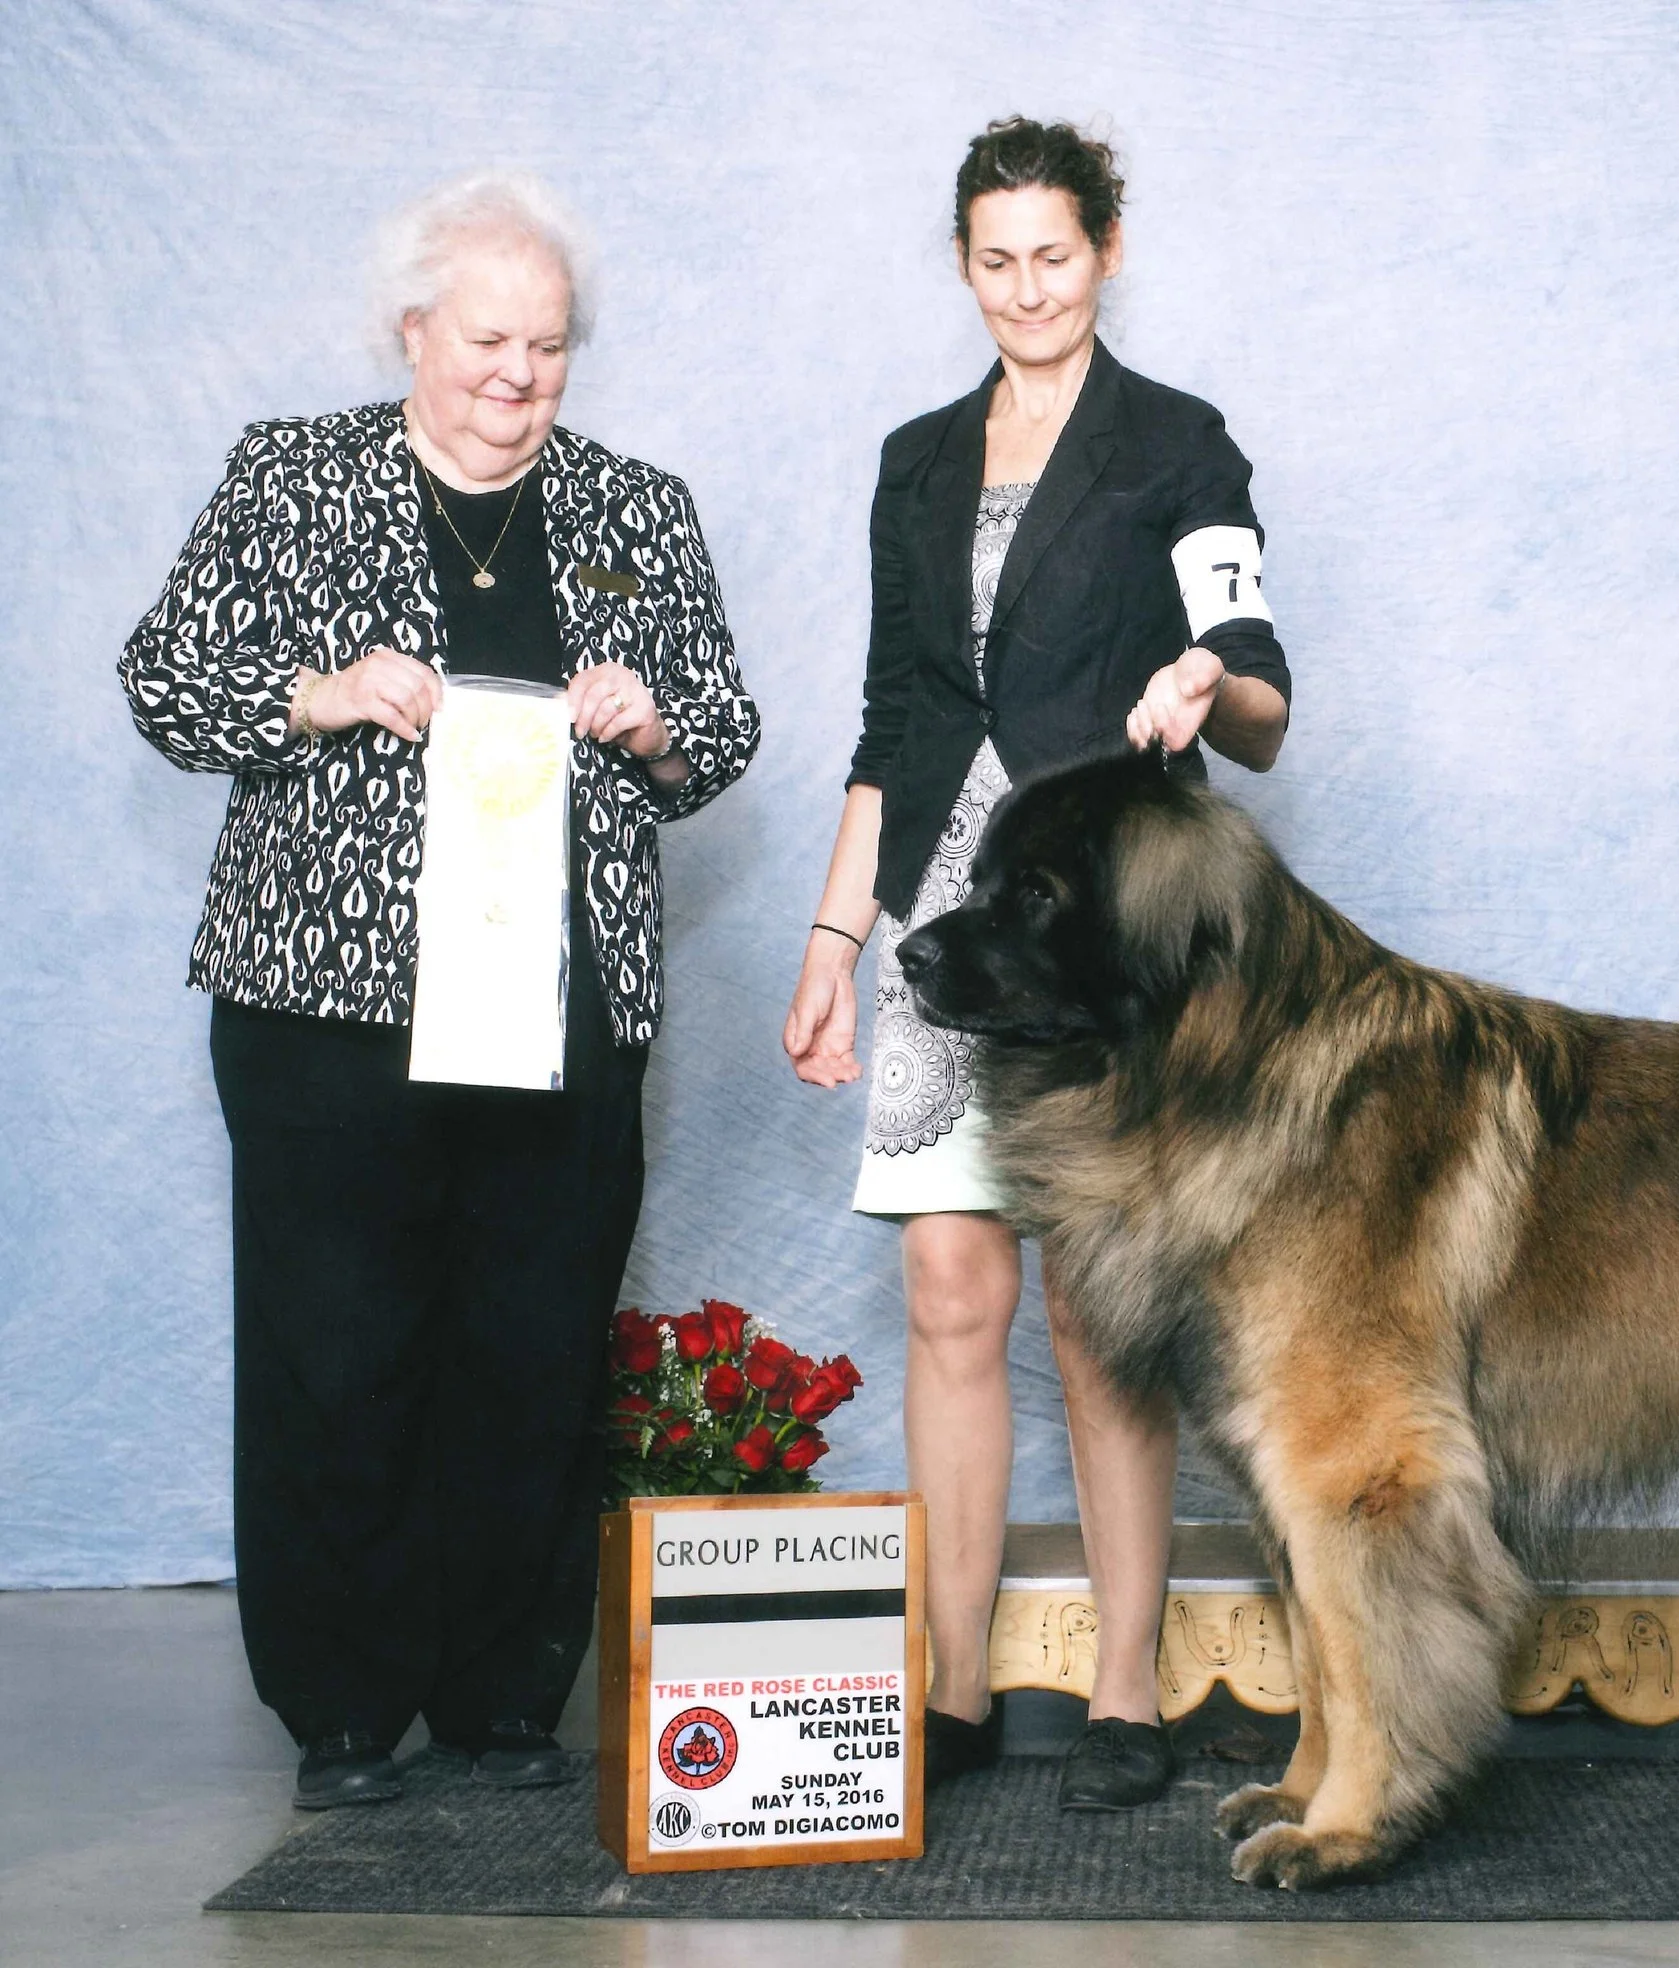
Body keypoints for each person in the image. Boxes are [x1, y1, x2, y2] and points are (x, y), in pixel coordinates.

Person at [119, 171, 761, 1811]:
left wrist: (653, 725)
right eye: (487, 338)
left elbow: (722, 742)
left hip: (563, 1016)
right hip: (328, 1011)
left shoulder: (638, 507)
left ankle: (500, 1692)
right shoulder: (292, 476)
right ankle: (343, 1704)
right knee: (340, 1350)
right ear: (413, 330)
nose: (518, 374)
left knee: (533, 1348)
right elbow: (165, 679)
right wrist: (320, 693)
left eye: (548, 346)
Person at [783, 118, 1291, 1810]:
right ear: (961, 265)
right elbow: (895, 720)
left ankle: (1132, 1694)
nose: (1025, 290)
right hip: (946, 915)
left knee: (1094, 1314)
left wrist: (1209, 688)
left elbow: (1265, 679)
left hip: (1091, 937)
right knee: (951, 1288)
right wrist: (833, 937)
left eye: (1053, 257)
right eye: (995, 261)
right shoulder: (916, 459)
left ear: (1110, 248)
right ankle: (953, 1690)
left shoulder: (1175, 445)